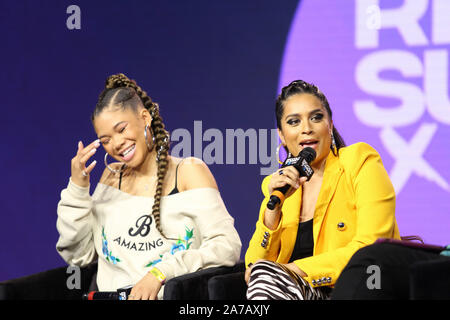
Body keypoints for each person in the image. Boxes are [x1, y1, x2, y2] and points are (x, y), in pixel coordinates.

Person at [56, 73, 241, 300]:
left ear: (145, 117)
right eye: (105, 140)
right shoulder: (111, 178)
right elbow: (78, 257)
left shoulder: (188, 172)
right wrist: (77, 189)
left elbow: (227, 246)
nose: (116, 144)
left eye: (122, 129)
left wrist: (161, 272)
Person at [244, 79, 401, 300]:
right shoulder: (282, 184)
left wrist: (296, 270)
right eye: (294, 121)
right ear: (281, 135)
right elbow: (253, 268)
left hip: (360, 289)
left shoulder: (360, 161)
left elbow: (370, 247)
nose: (306, 129)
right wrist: (272, 213)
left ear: (330, 124)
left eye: (316, 117)